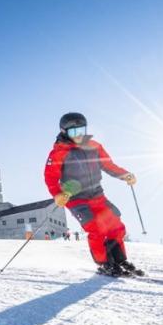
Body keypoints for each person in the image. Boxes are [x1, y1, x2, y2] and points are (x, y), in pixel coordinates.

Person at [44, 112, 144, 276]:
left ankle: (119, 260)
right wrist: (57, 194)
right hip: (76, 199)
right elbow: (50, 178)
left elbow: (109, 165)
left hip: (97, 195)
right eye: (74, 132)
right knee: (96, 229)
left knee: (116, 227)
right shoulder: (58, 153)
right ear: (64, 132)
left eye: (81, 130)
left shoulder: (94, 146)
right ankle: (104, 263)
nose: (79, 136)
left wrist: (125, 175)